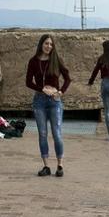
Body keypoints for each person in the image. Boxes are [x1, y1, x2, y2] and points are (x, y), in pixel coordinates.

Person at [25, 33, 70, 177]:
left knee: (56, 133)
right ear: (41, 44)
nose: (48, 46)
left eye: (51, 44)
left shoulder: (56, 60)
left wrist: (61, 92)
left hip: (55, 102)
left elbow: (68, 78)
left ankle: (60, 165)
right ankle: (46, 166)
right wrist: (41, 89)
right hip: (39, 101)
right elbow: (28, 81)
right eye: (46, 43)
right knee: (42, 134)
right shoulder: (33, 61)